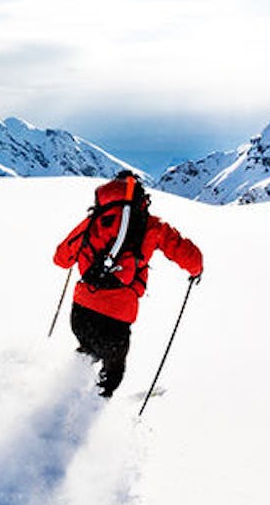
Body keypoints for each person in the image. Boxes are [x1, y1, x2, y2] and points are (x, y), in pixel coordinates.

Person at [53, 170, 203, 397]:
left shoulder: (93, 221)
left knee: (88, 348)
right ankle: (90, 413)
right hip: (116, 317)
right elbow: (184, 251)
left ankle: (63, 394)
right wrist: (197, 269)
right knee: (112, 373)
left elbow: (61, 258)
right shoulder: (152, 226)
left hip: (81, 312)